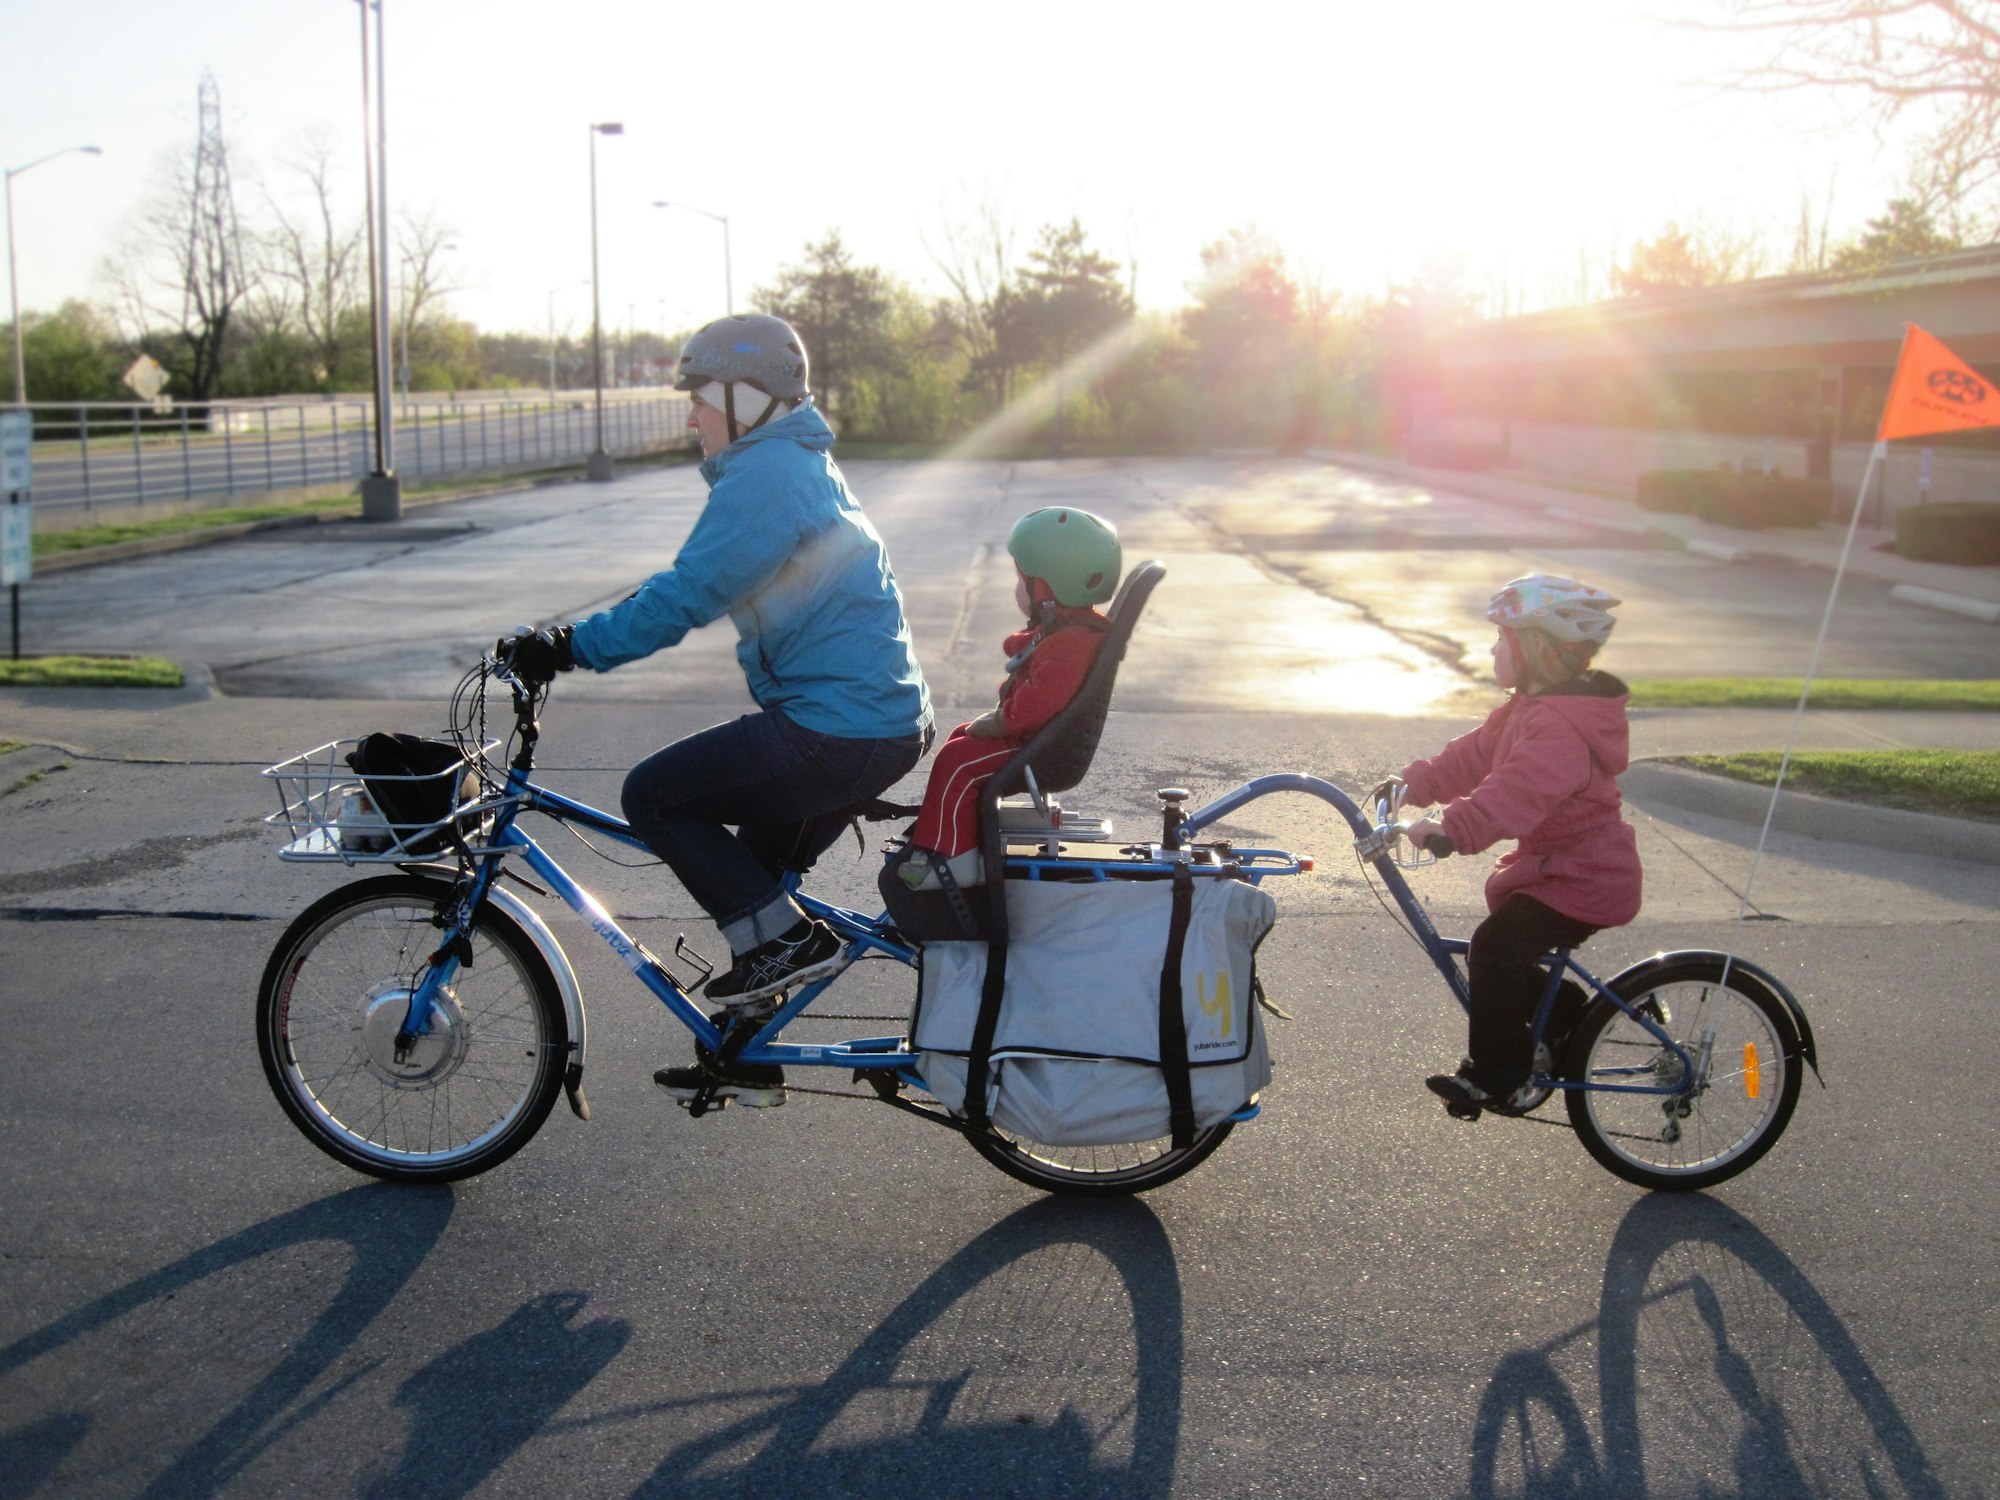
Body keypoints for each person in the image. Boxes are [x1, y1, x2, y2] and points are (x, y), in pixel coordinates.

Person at [504, 313, 932, 1104]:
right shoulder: (793, 461)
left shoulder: (767, 475)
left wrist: (566, 648)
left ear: (747, 397)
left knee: (655, 797)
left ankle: (792, 945)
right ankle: (749, 1052)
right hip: (871, 722)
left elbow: (689, 594)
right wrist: (579, 635)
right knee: (759, 888)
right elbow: (686, 582)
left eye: (700, 397)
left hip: (838, 731)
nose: (691, 416)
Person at [1384, 574, 1643, 1120]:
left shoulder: (1559, 727)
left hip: (1585, 879)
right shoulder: (1529, 709)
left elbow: (1517, 792)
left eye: (1502, 639)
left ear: (1536, 647)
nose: (1492, 649)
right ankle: (1568, 1012)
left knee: (1495, 948)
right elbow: (1475, 756)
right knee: (1503, 950)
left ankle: (1497, 1074)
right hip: (1559, 871)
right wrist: (1415, 785)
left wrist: (1454, 827)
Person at [896, 507, 1121, 891]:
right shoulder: (1073, 631)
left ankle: (950, 859)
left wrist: (1002, 721)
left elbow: (1037, 705)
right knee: (962, 737)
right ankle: (946, 829)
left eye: (1025, 581)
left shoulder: (1072, 643)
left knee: (958, 762)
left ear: (1048, 591)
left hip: (1039, 749)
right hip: (1038, 740)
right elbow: (1037, 658)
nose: (1019, 589)